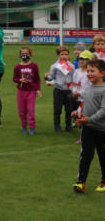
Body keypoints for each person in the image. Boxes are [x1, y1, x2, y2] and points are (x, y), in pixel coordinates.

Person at [71, 59, 105, 194]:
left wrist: (88, 119)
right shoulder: (89, 88)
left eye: (92, 71)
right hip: (88, 129)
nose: (89, 73)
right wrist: (78, 113)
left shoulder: (103, 90)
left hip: (102, 130)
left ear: (102, 73)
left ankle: (104, 181)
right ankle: (81, 182)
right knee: (86, 154)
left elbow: (103, 110)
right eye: (88, 71)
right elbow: (85, 105)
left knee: (103, 156)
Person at [45, 45, 75, 132]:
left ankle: (68, 125)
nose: (64, 56)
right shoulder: (54, 66)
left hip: (68, 90)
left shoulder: (72, 66)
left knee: (69, 109)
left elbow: (73, 78)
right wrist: (47, 77)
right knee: (57, 109)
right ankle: (57, 125)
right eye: (62, 54)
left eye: (66, 54)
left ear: (68, 55)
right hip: (58, 90)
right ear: (58, 55)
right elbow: (51, 77)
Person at [12, 47, 41, 135]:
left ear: (30, 55)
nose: (25, 55)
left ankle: (32, 128)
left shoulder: (34, 66)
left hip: (31, 91)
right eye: (23, 53)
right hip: (21, 91)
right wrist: (19, 80)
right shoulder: (17, 67)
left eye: (27, 53)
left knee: (31, 110)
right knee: (22, 110)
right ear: (20, 55)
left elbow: (37, 79)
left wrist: (38, 89)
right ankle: (24, 127)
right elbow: (14, 78)